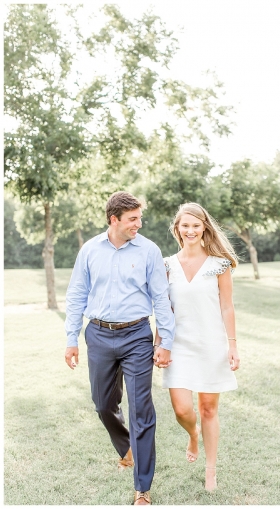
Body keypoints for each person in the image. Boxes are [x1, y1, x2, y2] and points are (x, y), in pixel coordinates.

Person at [64, 191, 175, 506]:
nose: (139, 224)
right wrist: (71, 338)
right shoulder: (89, 250)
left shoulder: (149, 251)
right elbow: (76, 294)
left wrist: (165, 341)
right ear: (114, 220)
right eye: (133, 219)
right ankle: (127, 447)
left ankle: (142, 489)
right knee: (102, 404)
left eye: (139, 218)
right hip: (98, 335)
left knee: (141, 409)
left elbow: (160, 298)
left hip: (137, 336)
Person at [158, 202, 240, 492]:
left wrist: (232, 345)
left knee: (208, 408)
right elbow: (163, 308)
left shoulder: (219, 264)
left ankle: (210, 469)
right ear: (177, 229)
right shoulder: (167, 265)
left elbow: (227, 306)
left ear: (204, 227)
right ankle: (193, 435)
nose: (190, 230)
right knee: (182, 409)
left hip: (211, 344)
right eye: (185, 225)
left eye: (196, 225)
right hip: (178, 346)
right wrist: (160, 342)